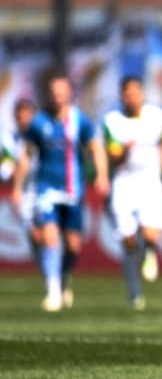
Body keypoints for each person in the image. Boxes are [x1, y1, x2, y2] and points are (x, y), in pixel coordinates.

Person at [11, 73, 109, 312]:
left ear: (69, 93)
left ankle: (64, 276)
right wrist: (17, 188)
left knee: (74, 246)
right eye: (53, 92)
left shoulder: (80, 120)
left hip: (73, 189)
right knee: (50, 237)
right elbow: (26, 155)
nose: (57, 96)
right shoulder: (38, 122)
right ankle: (53, 292)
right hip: (46, 188)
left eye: (61, 91)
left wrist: (102, 175)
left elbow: (96, 147)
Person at [102, 76, 162, 310]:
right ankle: (134, 291)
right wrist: (124, 150)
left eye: (137, 93)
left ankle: (150, 252)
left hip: (149, 182)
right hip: (124, 184)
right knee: (128, 241)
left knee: (151, 234)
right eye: (129, 94)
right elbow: (113, 157)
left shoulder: (157, 116)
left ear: (142, 94)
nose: (133, 98)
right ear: (122, 96)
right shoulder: (112, 121)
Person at [0, 98, 41, 267]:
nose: (23, 119)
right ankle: (51, 277)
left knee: (52, 233)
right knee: (35, 236)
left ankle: (59, 275)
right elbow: (5, 169)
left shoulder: (43, 136)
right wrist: (18, 170)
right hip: (24, 192)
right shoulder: (9, 139)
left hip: (44, 187)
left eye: (27, 115)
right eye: (20, 115)